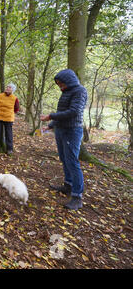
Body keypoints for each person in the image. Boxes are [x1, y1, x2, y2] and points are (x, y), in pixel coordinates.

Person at [41, 69, 88, 210]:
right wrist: (50, 126)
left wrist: (51, 116)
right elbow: (61, 113)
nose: (60, 86)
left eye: (61, 83)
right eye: (58, 84)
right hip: (60, 130)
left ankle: (77, 197)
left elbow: (74, 112)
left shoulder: (80, 91)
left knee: (72, 162)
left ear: (69, 80)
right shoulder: (65, 93)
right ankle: (68, 185)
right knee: (64, 158)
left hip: (72, 131)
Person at [0, 83, 20, 154]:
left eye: (9, 87)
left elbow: (16, 109)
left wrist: (9, 113)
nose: (7, 88)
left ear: (12, 90)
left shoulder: (15, 98)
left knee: (9, 133)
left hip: (8, 118)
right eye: (7, 87)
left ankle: (9, 149)